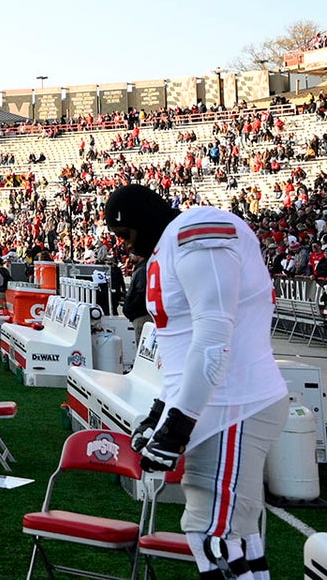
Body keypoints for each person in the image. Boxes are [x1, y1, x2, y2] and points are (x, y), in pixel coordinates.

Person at [106, 184, 289, 579]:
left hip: (233, 403)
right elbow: (182, 347)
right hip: (221, 405)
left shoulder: (199, 228)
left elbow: (211, 338)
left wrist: (178, 424)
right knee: (237, 537)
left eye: (125, 234)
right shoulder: (173, 243)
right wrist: (163, 411)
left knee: (213, 536)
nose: (124, 245)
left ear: (142, 221)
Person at [121, 252, 152, 351]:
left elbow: (141, 294)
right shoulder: (140, 269)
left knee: (142, 347)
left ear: (139, 255)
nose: (130, 255)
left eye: (133, 253)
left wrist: (130, 309)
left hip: (141, 316)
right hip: (138, 315)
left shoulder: (142, 270)